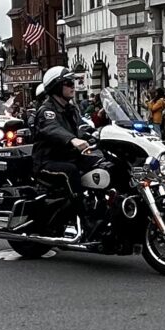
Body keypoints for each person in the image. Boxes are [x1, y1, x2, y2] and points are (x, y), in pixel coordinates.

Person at [32, 66, 101, 234]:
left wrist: (99, 134)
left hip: (69, 157)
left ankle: (103, 210)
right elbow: (52, 128)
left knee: (103, 164)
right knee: (70, 172)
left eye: (73, 82)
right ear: (56, 86)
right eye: (68, 83)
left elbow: (82, 126)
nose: (73, 86)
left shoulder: (71, 108)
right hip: (47, 162)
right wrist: (72, 139)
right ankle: (86, 222)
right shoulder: (46, 111)